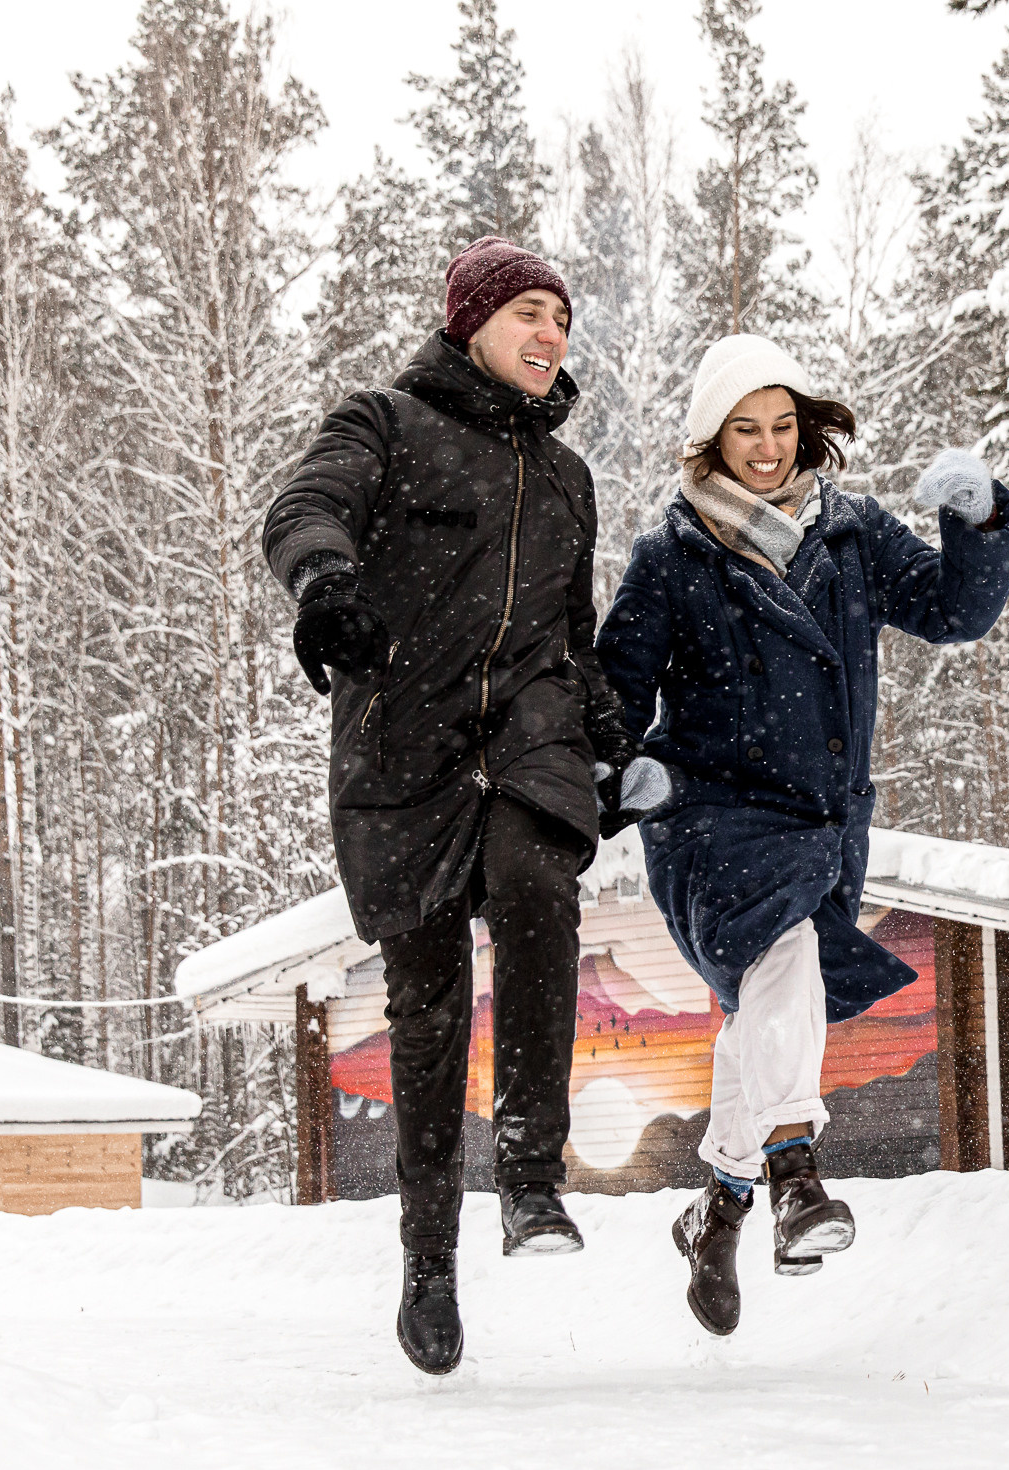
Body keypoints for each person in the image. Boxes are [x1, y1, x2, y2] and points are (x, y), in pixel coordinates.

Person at [262, 237, 668, 1376]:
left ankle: (533, 1175)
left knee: (541, 883)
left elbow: (572, 644)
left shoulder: (569, 482)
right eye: (532, 313)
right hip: (405, 757)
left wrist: (612, 746)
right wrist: (325, 584)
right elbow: (303, 506)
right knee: (428, 1012)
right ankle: (429, 1258)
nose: (553, 337)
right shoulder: (385, 423)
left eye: (565, 320)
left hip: (526, 744)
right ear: (473, 322)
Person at [596, 333, 1009, 1336]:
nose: (769, 446)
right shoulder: (672, 556)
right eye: (746, 428)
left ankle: (720, 1205)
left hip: (825, 827)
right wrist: (621, 779)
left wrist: (980, 521)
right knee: (782, 968)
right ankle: (795, 1177)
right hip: (711, 820)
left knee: (768, 1010)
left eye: (783, 425)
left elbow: (952, 612)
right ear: (708, 437)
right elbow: (612, 691)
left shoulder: (853, 533)